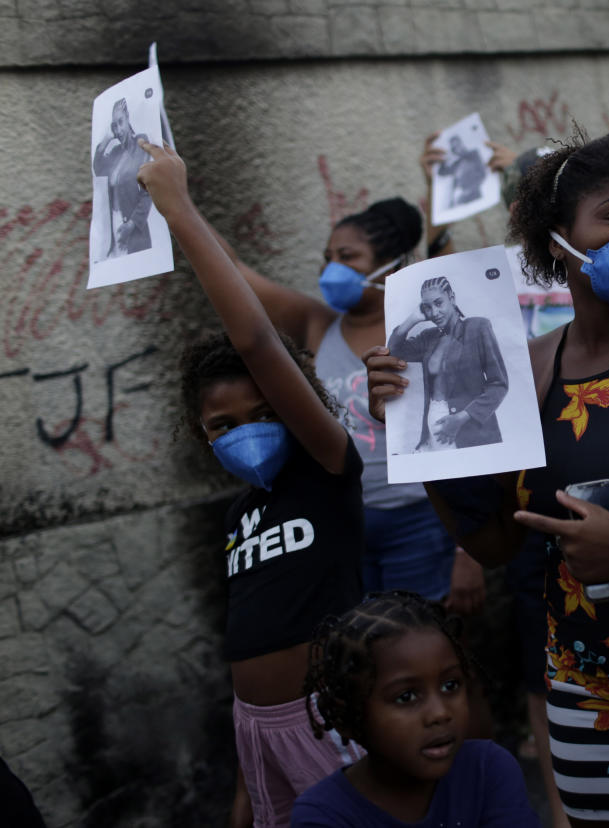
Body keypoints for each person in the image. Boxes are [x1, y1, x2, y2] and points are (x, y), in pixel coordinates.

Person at [366, 130, 609, 825]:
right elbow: (491, 543)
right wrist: (414, 430)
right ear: (556, 240)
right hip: (583, 701)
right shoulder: (531, 367)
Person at [138, 142, 366, 828]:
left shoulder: (328, 468)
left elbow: (261, 343)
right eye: (223, 425)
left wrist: (178, 209)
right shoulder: (240, 517)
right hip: (257, 730)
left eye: (264, 412)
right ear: (201, 436)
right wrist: (247, 775)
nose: (247, 430)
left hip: (334, 723)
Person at [199, 191, 481, 609]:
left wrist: (467, 550)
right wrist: (178, 207)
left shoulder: (431, 331)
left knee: (425, 637)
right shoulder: (316, 324)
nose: (332, 269)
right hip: (343, 520)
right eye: (328, 256)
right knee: (360, 646)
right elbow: (231, 271)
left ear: (395, 264)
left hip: (422, 521)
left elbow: (471, 440)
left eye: (347, 257)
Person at [292, 591, 540, 827]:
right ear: (346, 717)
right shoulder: (325, 815)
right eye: (406, 696)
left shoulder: (487, 770)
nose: (440, 713)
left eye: (450, 685)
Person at [386, 277, 508, 452]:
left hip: (469, 428)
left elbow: (499, 385)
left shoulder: (477, 327)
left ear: (452, 297)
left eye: (438, 303)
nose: (434, 312)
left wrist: (461, 418)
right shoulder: (428, 338)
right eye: (428, 307)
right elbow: (393, 353)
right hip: (432, 423)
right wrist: (413, 318)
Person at [92, 98, 152, 258]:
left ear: (128, 119)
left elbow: (148, 192)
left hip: (134, 232)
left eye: (121, 122)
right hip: (115, 226)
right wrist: (106, 139)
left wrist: (131, 225)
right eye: (114, 125)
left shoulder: (141, 146)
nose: (118, 130)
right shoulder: (115, 152)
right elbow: (98, 169)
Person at [439, 135, 489, 207]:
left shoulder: (473, 154)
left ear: (461, 143)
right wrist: (445, 158)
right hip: (462, 199)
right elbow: (441, 172)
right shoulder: (456, 164)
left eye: (458, 144)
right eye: (454, 148)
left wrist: (469, 190)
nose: (457, 149)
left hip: (475, 195)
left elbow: (483, 174)